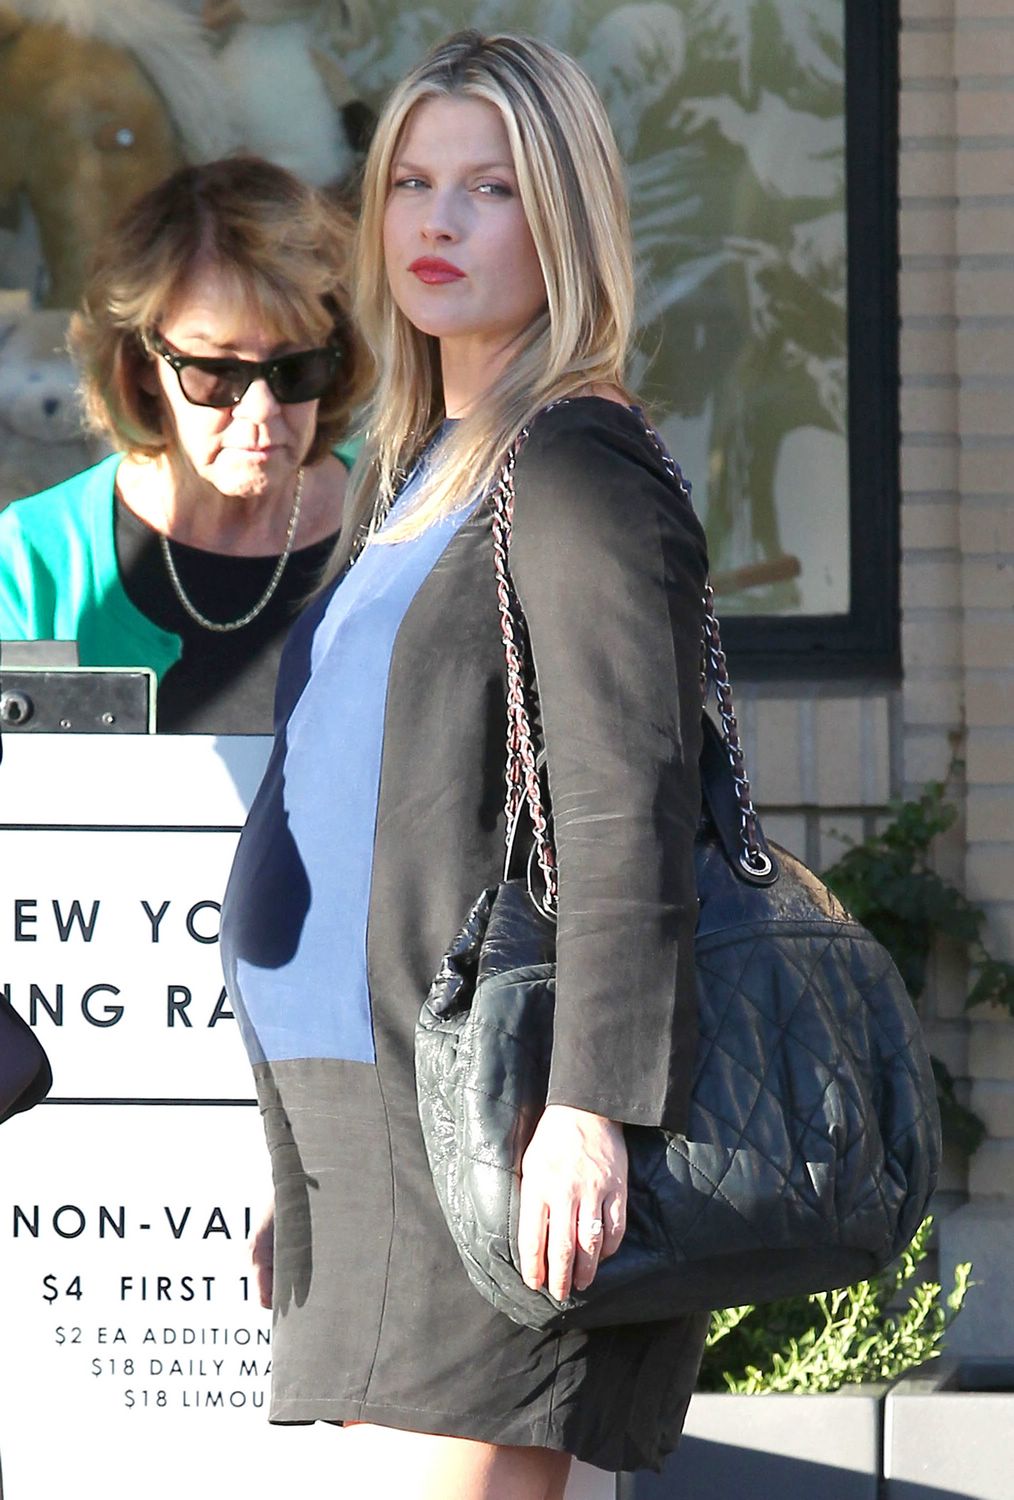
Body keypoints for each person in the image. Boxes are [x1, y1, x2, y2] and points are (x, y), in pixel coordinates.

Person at [220, 30, 710, 1498]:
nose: (437, 221)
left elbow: (627, 803)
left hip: (489, 1115)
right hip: (365, 1117)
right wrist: (299, 1150)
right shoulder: (416, 468)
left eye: (490, 189)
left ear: (563, 221)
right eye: (412, 183)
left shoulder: (569, 463)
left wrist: (591, 1109)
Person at [0, 157, 367, 733]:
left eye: (296, 368)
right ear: (142, 364)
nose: (260, 409)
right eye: (216, 372)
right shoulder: (33, 561)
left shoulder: (406, 526)